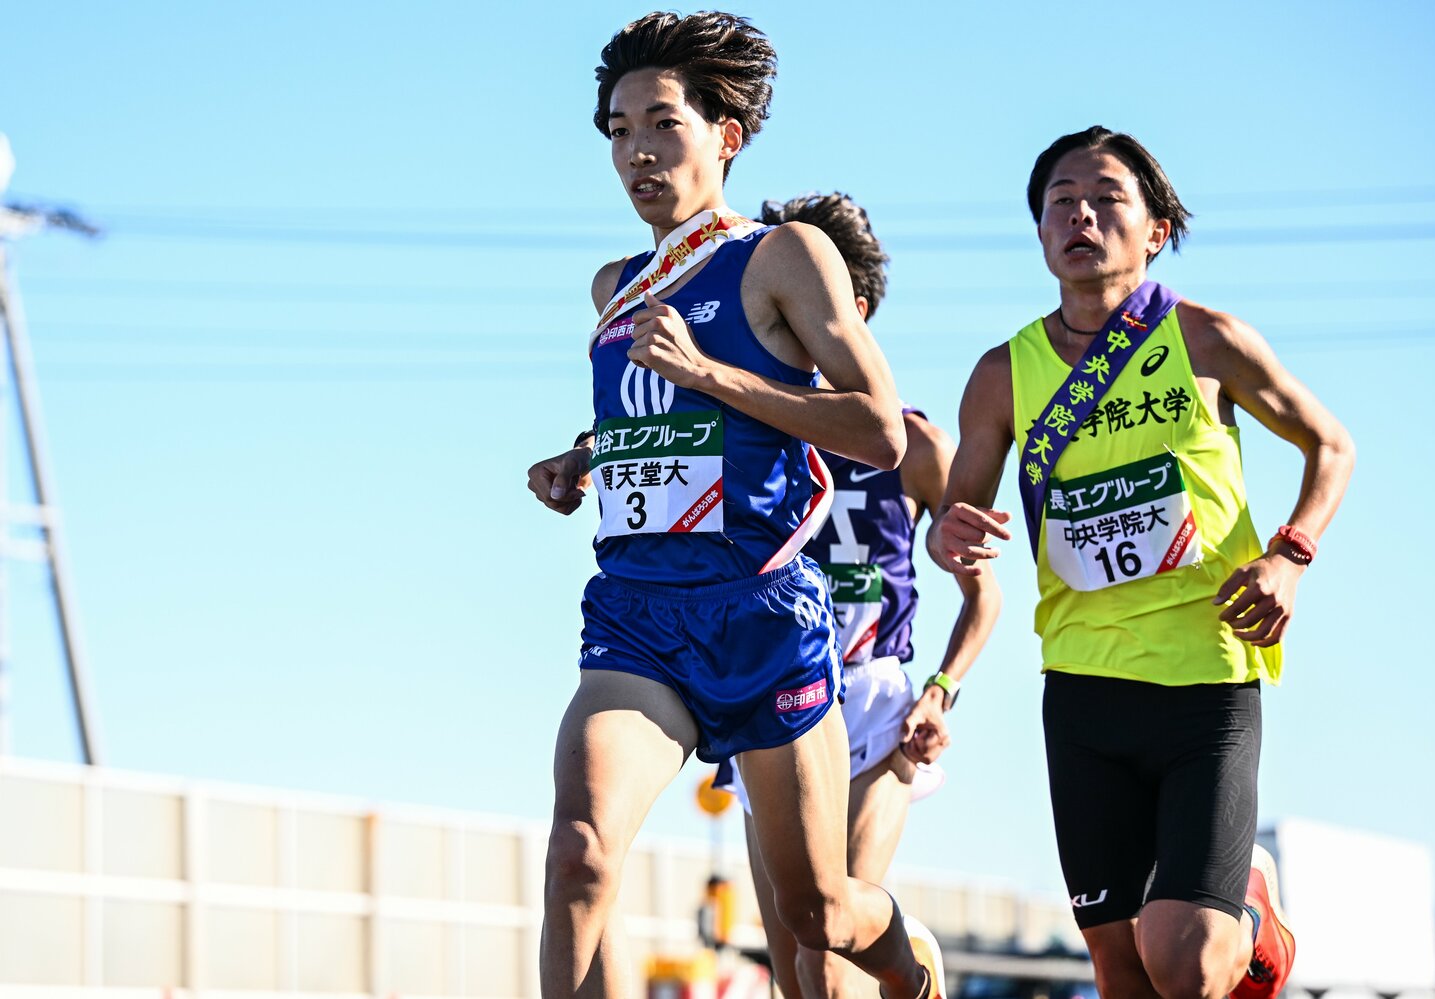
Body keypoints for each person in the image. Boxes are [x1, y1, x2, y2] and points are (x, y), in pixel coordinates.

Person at [525, 13, 940, 999]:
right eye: (618, 130)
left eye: (662, 124)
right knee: (579, 856)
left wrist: (709, 372)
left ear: (726, 135)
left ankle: (909, 968)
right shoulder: (614, 288)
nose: (637, 151)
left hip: (762, 613)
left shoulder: (782, 255)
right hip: (638, 616)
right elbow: (657, 422)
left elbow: (879, 431)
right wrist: (584, 459)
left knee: (817, 915)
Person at [931, 126, 1354, 999]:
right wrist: (949, 535)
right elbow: (953, 516)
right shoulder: (1003, 374)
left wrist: (1290, 555)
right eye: (1060, 202)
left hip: (1206, 678)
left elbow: (1331, 445)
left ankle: (1251, 916)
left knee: (1184, 958)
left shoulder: (1207, 340)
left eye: (1106, 198)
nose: (1080, 215)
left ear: (1157, 230)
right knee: (1122, 973)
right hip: (1083, 687)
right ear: (1040, 232)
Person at [710, 192, 1000, 999]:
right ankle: (909, 967)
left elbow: (983, 597)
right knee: (794, 975)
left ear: (851, 309)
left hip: (876, 707)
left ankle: (907, 966)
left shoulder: (917, 447)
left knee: (828, 960)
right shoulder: (747, 432)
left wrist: (940, 690)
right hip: (774, 700)